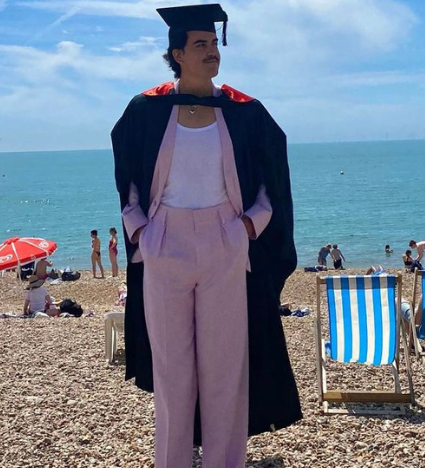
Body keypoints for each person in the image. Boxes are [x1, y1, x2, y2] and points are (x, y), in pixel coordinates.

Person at [111, 4, 301, 466]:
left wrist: (249, 226)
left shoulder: (243, 111)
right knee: (173, 372)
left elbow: (270, 179)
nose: (212, 52)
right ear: (177, 53)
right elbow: (128, 178)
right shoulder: (147, 109)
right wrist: (141, 232)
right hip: (164, 242)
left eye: (215, 43)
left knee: (224, 371)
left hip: (225, 243)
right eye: (201, 45)